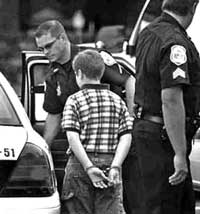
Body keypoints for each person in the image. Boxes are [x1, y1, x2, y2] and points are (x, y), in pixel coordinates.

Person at [130, 0, 200, 213]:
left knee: (177, 205)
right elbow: (170, 99)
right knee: (165, 206)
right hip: (164, 140)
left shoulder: (149, 32)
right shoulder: (175, 43)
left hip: (150, 132)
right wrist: (179, 153)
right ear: (193, 8)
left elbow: (144, 81)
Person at [34, 20, 135, 147]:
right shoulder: (52, 75)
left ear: (62, 38)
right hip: (80, 143)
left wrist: (131, 124)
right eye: (41, 49)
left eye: (48, 46)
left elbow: (129, 81)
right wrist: (44, 148)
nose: (45, 52)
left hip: (111, 139)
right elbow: (54, 115)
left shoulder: (91, 57)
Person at [61, 49, 133, 214]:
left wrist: (89, 167)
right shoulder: (117, 101)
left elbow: (73, 137)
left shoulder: (74, 100)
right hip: (110, 165)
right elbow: (126, 137)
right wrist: (116, 165)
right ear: (101, 72)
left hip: (80, 165)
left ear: (78, 73)